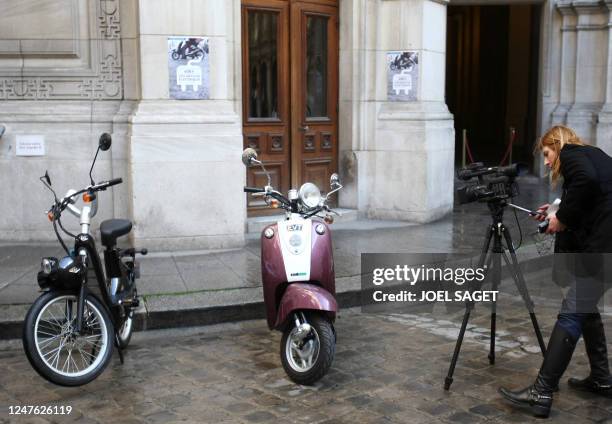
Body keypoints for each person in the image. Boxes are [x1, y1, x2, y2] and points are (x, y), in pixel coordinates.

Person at [499, 125, 612, 417]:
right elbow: (595, 195)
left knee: (573, 312)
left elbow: (586, 183)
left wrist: (560, 217)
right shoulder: (593, 154)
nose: (548, 162)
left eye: (548, 154)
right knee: (585, 308)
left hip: (603, 248)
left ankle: (541, 393)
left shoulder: (573, 154)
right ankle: (601, 379)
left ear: (558, 144)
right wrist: (557, 209)